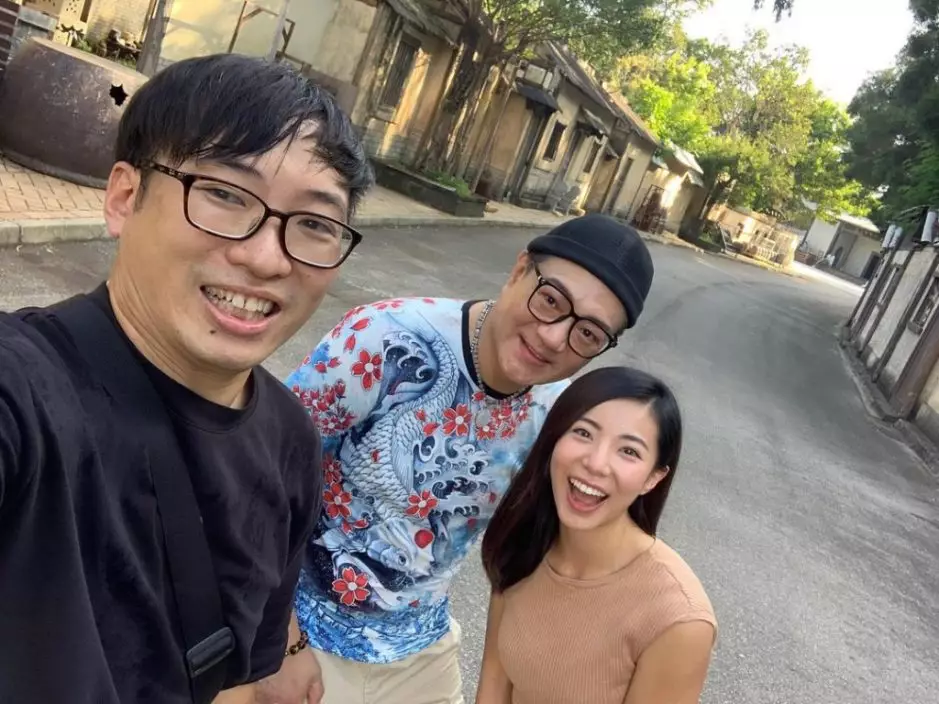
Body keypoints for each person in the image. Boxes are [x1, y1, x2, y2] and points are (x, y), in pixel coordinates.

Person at [0, 54, 372, 704]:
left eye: (315, 224)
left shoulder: (290, 439)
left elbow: (234, 679)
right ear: (124, 197)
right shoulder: (25, 388)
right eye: (225, 195)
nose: (266, 258)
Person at [266, 214, 656, 703]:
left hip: (421, 652)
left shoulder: (557, 414)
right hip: (301, 630)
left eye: (589, 334)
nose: (555, 337)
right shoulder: (384, 338)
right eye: (551, 300)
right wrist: (279, 640)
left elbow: (548, 548)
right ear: (519, 270)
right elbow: (262, 474)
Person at [476, 366, 717, 704]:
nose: (596, 463)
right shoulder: (524, 543)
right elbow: (495, 679)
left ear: (653, 478)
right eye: (583, 433)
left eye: (629, 451)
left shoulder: (677, 619)